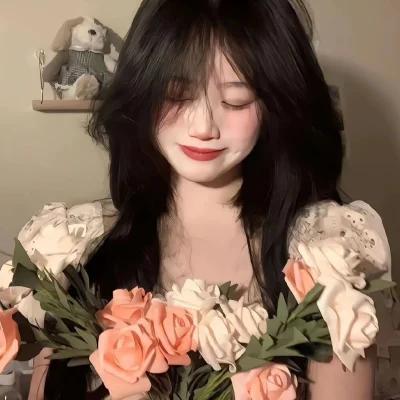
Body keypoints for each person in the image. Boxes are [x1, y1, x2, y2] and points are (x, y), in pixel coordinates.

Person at [1, 0, 391, 399]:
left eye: (236, 100)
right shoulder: (72, 249)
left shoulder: (328, 260)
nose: (203, 126)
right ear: (142, 94)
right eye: (177, 95)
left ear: (277, 105)